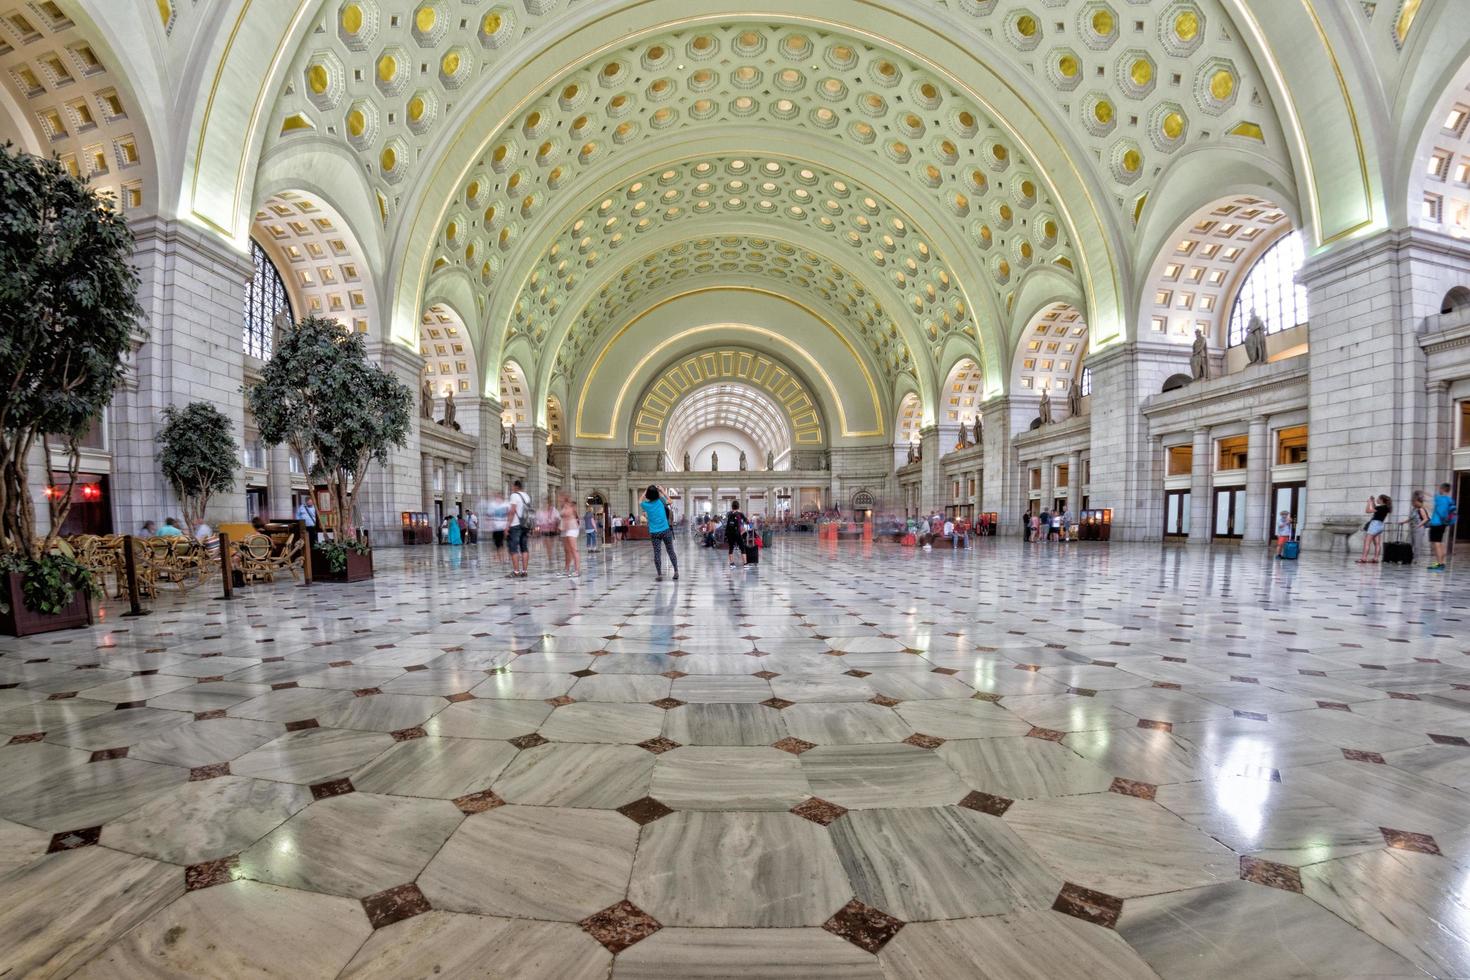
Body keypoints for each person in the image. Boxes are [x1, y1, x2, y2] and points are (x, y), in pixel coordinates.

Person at [641, 484, 678, 580]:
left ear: (648, 495)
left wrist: (646, 490)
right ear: (657, 493)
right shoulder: (661, 501)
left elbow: (640, 500)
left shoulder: (646, 505)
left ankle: (659, 574)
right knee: (670, 551)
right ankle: (676, 571)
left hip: (654, 533)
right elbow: (670, 501)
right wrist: (662, 491)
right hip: (665, 530)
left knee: (657, 553)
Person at [506, 479, 532, 578]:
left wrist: (507, 525)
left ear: (516, 487)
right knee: (524, 548)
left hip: (515, 525)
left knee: (514, 548)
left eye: (512, 486)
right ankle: (524, 571)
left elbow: (512, 511)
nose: (512, 488)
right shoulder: (527, 496)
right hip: (525, 525)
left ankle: (516, 572)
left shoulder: (514, 495)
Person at [1429, 482, 1457, 571]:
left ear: (1442, 489)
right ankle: (1441, 562)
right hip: (1443, 524)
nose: (1438, 490)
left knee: (1436, 544)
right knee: (1440, 542)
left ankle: (1440, 564)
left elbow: (1441, 511)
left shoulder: (1440, 499)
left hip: (1437, 523)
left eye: (1440, 488)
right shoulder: (1450, 499)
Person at [1357, 494, 1391, 564]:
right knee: (1377, 543)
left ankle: (1363, 558)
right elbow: (1375, 508)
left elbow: (1367, 511)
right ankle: (1376, 558)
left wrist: (1369, 502)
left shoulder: (1380, 508)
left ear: (1381, 500)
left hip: (1374, 524)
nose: (1377, 500)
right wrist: (1373, 502)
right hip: (1380, 525)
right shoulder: (1386, 508)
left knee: (1367, 542)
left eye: (1378, 499)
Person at [1400, 492, 1430, 565]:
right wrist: (1403, 522)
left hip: (1419, 529)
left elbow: (1426, 519)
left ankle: (1416, 559)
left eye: (1413, 501)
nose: (1412, 502)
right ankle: (1408, 557)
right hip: (1412, 528)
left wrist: (1419, 525)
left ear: (1417, 501)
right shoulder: (1414, 509)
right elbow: (1411, 518)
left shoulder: (1421, 509)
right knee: (1409, 543)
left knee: (1417, 545)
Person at [559, 494, 581, 578]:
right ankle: (566, 569)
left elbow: (568, 515)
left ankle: (577, 570)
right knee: (567, 550)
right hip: (565, 529)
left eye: (560, 498)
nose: (559, 499)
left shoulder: (569, 506)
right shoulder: (564, 506)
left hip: (571, 528)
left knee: (573, 549)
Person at [487, 493, 509, 563]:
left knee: (503, 543)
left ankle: (504, 558)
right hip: (496, 528)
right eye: (497, 497)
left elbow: (510, 515)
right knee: (498, 544)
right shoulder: (492, 505)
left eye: (499, 497)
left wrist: (508, 526)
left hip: (504, 527)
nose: (498, 498)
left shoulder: (506, 504)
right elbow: (489, 515)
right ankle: (501, 558)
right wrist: (490, 525)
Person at [538, 500, 560, 569]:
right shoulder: (541, 511)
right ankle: (550, 556)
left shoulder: (554, 510)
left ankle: (550, 557)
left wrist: (556, 525)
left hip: (552, 530)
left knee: (550, 545)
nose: (546, 505)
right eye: (545, 503)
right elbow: (539, 520)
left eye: (547, 503)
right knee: (547, 545)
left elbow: (558, 519)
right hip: (544, 530)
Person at [724, 504, 748, 568]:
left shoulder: (729, 514)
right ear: (738, 507)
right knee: (742, 548)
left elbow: (727, 524)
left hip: (730, 533)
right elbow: (747, 521)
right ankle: (745, 564)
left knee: (731, 548)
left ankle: (732, 564)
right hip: (737, 533)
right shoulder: (740, 514)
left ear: (732, 507)